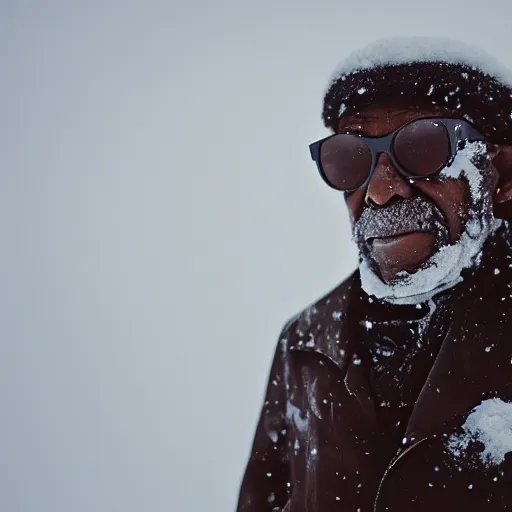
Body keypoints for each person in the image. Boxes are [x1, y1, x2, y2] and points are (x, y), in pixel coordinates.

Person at [236, 37, 512, 512]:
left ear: (503, 173)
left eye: (425, 148)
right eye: (350, 157)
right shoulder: (306, 342)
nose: (381, 192)